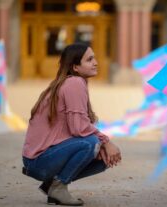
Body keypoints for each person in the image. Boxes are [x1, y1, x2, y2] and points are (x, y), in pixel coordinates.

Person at [22, 43, 121, 206]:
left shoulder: (69, 82)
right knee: (91, 143)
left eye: (94, 58)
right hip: (38, 161)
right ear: (75, 66)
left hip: (39, 160)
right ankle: (59, 186)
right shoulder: (74, 83)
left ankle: (52, 186)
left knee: (102, 157)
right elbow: (79, 128)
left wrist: (103, 146)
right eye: (89, 60)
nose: (96, 62)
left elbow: (75, 128)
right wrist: (106, 141)